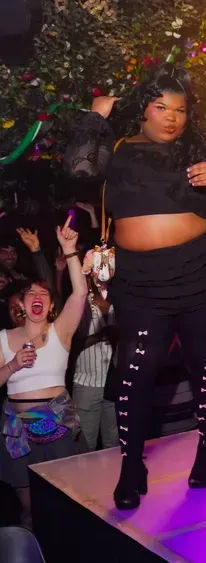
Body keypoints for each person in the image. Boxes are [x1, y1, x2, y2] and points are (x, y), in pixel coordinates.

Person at [63, 64, 206, 509]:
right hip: (142, 279)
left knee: (205, 367)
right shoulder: (118, 149)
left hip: (203, 269)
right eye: (161, 107)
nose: (171, 117)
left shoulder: (202, 149)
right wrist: (96, 117)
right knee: (135, 372)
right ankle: (132, 464)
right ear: (143, 110)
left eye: (180, 110)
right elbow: (78, 169)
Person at [0, 218, 87, 526]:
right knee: (28, 510)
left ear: (50, 305)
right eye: (31, 294)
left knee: (67, 502)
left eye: (44, 294)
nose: (37, 297)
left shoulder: (61, 331)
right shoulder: (3, 338)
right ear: (22, 305)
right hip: (17, 430)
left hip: (58, 425)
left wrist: (70, 251)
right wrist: (12, 365)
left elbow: (79, 294)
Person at [70, 258, 118, 452]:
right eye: (97, 270)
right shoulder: (80, 303)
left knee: (113, 444)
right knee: (86, 446)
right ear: (90, 274)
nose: (101, 274)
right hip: (86, 384)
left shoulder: (119, 302)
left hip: (114, 381)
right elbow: (71, 344)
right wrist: (101, 335)